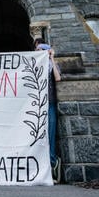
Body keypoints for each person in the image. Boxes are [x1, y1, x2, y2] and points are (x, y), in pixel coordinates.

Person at [34, 37, 61, 183]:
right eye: (35, 51)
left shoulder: (51, 65)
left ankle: (52, 164)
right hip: (35, 106)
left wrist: (52, 58)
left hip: (49, 104)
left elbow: (57, 78)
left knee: (49, 134)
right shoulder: (34, 66)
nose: (37, 53)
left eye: (40, 51)